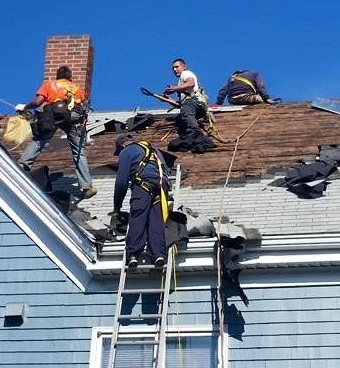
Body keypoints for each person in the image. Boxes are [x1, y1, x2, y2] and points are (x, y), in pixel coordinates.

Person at [14, 66, 97, 199]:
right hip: (74, 117)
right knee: (79, 152)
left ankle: (23, 164)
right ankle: (87, 187)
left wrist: (24, 107)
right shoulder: (77, 89)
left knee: (40, 139)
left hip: (54, 114)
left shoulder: (50, 85)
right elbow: (82, 107)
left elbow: (38, 102)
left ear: (57, 76)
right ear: (70, 77)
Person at [111, 134, 171, 269]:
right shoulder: (154, 150)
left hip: (142, 186)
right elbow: (166, 172)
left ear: (122, 145)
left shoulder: (127, 151)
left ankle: (133, 254)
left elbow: (121, 182)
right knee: (156, 221)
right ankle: (158, 255)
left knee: (138, 217)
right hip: (161, 188)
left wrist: (117, 206)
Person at [163, 58, 207, 140]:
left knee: (186, 111)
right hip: (192, 106)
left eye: (177, 67)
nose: (175, 69)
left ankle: (195, 132)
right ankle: (190, 135)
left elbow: (191, 83)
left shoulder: (186, 73)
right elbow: (180, 105)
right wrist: (167, 99)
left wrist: (175, 88)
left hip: (194, 102)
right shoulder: (181, 83)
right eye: (173, 68)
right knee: (183, 115)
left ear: (184, 66)